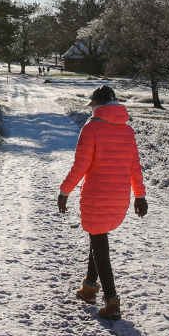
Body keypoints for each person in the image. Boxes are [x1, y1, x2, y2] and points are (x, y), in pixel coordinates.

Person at [59, 85, 148, 320]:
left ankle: (112, 301)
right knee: (98, 237)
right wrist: (139, 195)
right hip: (119, 197)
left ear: (98, 105)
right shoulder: (127, 131)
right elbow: (134, 166)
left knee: (100, 245)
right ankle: (89, 287)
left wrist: (64, 191)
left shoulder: (92, 128)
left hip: (97, 196)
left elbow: (81, 166)